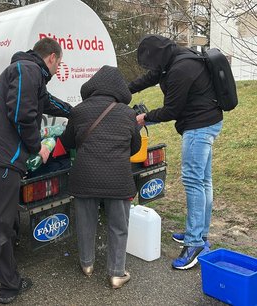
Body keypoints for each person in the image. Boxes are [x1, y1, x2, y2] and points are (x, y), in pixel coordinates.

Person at [0, 37, 72, 306]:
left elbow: (48, 103)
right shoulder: (26, 69)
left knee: (3, 226)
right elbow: (21, 114)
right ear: (52, 58)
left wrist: (75, 112)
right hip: (0, 160)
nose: (58, 70)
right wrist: (37, 148)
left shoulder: (31, 75)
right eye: (59, 64)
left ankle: (9, 284)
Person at [128, 34, 223, 270]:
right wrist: (122, 89)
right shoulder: (175, 58)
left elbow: (172, 110)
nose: (152, 68)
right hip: (208, 122)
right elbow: (149, 77)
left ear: (159, 56)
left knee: (193, 182)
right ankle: (199, 233)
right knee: (203, 181)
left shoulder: (181, 69)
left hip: (198, 127)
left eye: (151, 62)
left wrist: (144, 118)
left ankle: (194, 243)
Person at [59, 65, 141, 289]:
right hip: (118, 179)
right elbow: (135, 147)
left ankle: (87, 265)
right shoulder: (128, 113)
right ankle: (116, 274)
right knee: (118, 226)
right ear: (118, 90)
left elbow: (67, 143)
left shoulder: (79, 110)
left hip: (84, 178)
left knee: (85, 223)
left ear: (93, 86)